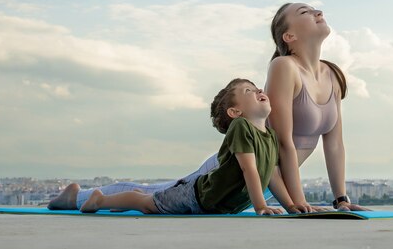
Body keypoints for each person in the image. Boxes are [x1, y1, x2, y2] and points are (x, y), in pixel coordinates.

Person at [49, 79, 303, 215]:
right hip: (197, 197)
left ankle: (120, 197)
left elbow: (271, 175)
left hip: (212, 205)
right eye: (249, 90)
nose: (259, 89)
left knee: (148, 200)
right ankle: (100, 200)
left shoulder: (268, 136)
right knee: (147, 205)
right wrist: (260, 206)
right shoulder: (241, 128)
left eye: (257, 87)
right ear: (235, 112)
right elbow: (249, 170)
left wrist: (292, 207)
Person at [265, 2, 369, 212]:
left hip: (267, 189)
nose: (318, 13)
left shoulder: (332, 74)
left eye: (315, 10)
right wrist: (298, 203)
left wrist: (341, 200)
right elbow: (282, 142)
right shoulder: (283, 66)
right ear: (289, 36)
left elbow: (334, 144)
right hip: (229, 179)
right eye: (305, 12)